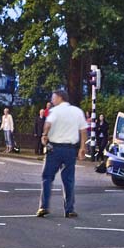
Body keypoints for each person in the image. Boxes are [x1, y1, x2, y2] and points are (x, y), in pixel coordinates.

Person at [37, 89, 87, 218]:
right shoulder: (77, 111)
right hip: (70, 149)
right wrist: (82, 147)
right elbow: (83, 131)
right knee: (69, 180)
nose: (52, 100)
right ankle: (69, 209)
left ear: (60, 98)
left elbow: (48, 124)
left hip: (54, 149)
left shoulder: (55, 111)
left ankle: (44, 207)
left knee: (47, 178)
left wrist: (44, 135)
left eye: (53, 98)